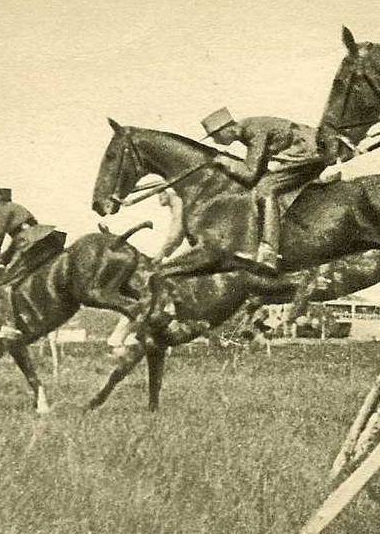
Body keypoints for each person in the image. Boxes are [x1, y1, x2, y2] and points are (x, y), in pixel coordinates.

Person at [200, 108, 322, 274]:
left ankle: (268, 254)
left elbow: (250, 175)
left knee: (265, 190)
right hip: (305, 150)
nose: (216, 141)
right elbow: (259, 167)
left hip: (308, 153)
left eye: (216, 135)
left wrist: (226, 162)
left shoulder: (254, 131)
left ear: (227, 129)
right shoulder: (249, 129)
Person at [106, 187, 185, 357]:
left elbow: (176, 233)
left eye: (159, 195)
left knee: (153, 288)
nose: (158, 199)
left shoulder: (177, 202)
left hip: (175, 253)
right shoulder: (175, 204)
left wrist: (162, 254)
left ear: (166, 193)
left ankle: (124, 338)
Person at [0, 187, 40, 340]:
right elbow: (17, 238)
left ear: (0, 201)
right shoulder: (16, 208)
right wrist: (5, 258)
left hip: (27, 241)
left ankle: (12, 324)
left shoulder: (5, 211)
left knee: (7, 282)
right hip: (35, 237)